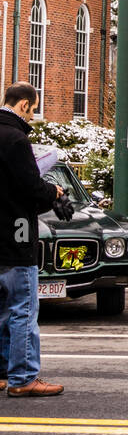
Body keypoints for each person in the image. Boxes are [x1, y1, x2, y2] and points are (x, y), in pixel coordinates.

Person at [0, 81, 65, 397]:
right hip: (17, 233)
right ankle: (23, 377)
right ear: (24, 104)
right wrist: (54, 193)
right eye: (34, 107)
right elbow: (29, 188)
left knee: (1, 309)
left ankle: (1, 373)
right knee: (23, 307)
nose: (33, 114)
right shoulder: (15, 139)